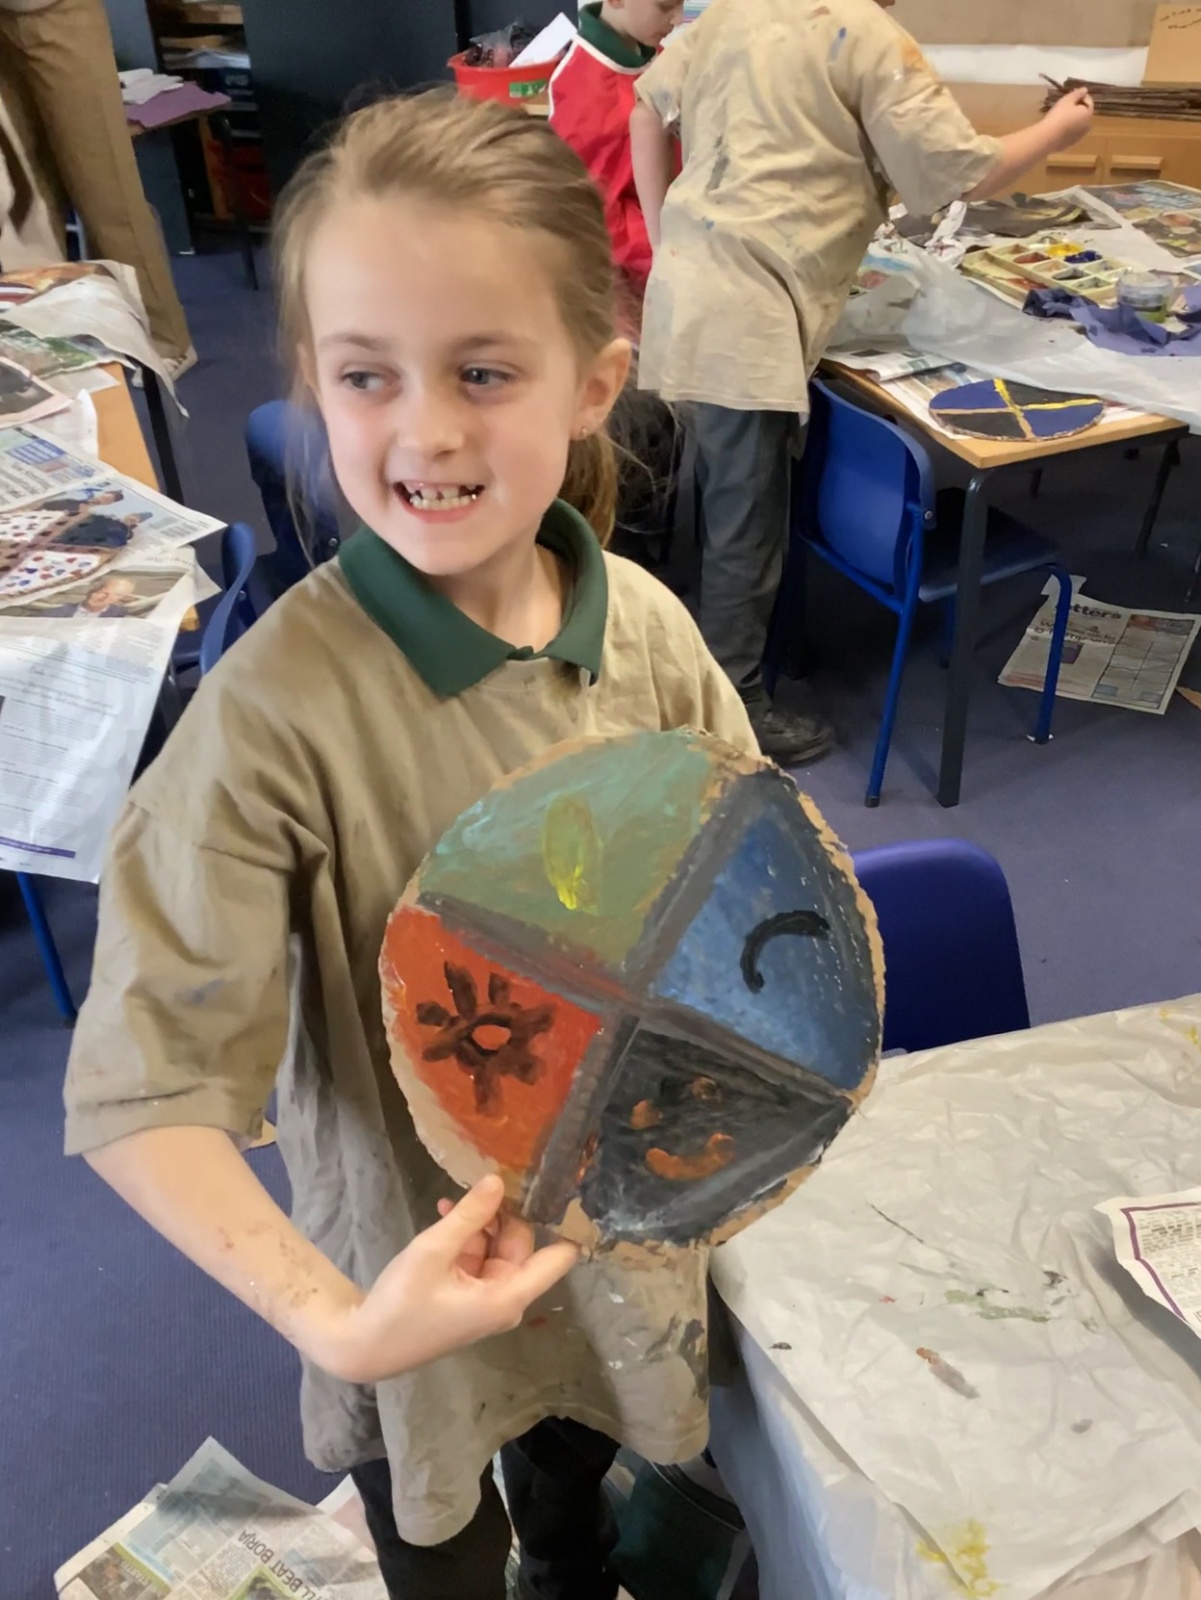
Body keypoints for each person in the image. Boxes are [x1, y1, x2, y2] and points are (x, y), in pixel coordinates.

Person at [63, 90, 760, 1600]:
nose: (426, 430)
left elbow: (747, 888)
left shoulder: (648, 634)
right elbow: (137, 1093)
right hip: (402, 1267)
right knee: (442, 1530)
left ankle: (574, 1555)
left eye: (484, 371)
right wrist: (338, 1324)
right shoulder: (268, 722)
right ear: (315, 383)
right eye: (367, 375)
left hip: (609, 1233)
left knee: (577, 1471)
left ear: (593, 383)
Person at [630, 0, 1094, 766]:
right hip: (748, 310)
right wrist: (1059, 132)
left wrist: (662, 237)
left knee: (722, 493)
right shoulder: (865, 33)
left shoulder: (734, 11)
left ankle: (738, 651)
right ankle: (730, 711)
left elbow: (646, 110)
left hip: (697, 285)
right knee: (743, 519)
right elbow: (965, 173)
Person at [0, 0, 195, 371]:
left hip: (59, 10)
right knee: (27, 191)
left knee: (104, 185)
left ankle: (166, 339)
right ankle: (52, 334)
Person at [548, 0, 683, 324]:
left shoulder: (652, 55)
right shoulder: (583, 97)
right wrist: (673, 248)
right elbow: (597, 219)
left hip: (671, 240)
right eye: (665, 6)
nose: (678, 19)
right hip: (629, 283)